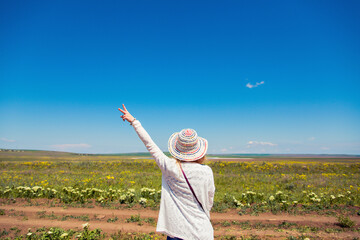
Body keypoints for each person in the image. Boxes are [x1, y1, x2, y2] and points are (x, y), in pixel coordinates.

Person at [118, 104, 215, 240]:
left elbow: (150, 145)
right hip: (203, 232)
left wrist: (134, 122)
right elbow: (209, 201)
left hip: (178, 232)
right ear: (199, 151)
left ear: (177, 149)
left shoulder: (170, 166)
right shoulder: (207, 171)